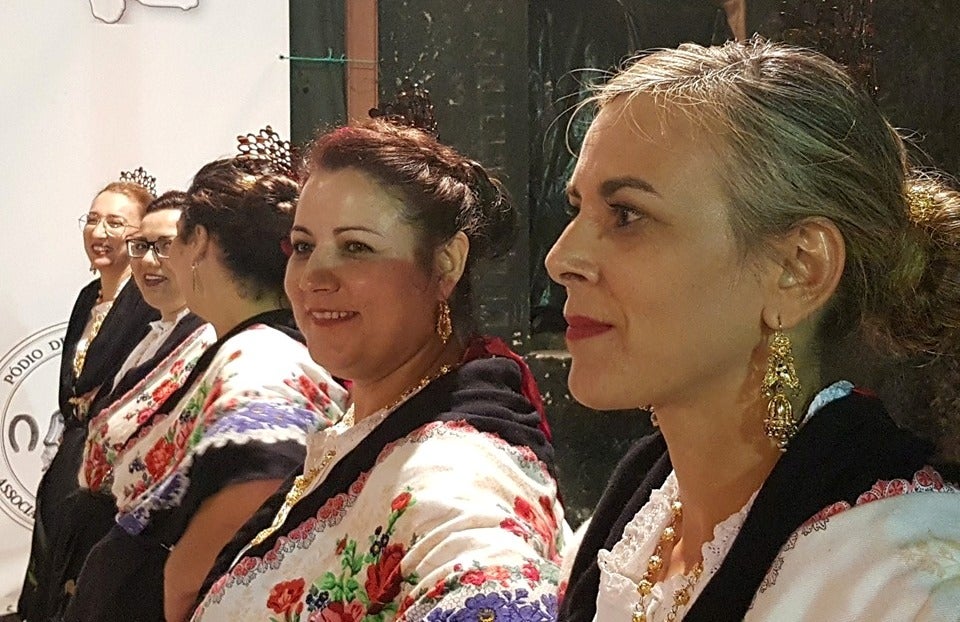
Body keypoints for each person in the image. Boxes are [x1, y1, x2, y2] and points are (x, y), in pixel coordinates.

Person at [547, 37, 960, 621]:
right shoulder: (635, 515)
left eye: (627, 215)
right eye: (577, 208)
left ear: (798, 269)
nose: (561, 259)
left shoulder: (905, 589)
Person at [191, 117, 566, 621]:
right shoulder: (370, 418)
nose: (313, 276)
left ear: (446, 264)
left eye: (356, 247)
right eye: (303, 246)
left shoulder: (454, 472)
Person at [64, 157, 348, 622]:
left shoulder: (261, 359)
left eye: (173, 242)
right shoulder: (246, 346)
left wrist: (181, 587)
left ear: (198, 244)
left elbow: (263, 468)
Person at [33, 191, 218, 620]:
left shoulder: (207, 338)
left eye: (166, 245)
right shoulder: (152, 332)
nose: (150, 260)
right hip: (98, 529)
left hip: (147, 548)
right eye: (142, 246)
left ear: (197, 251)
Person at [18, 168, 160, 621]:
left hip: (115, 463)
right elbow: (73, 390)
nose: (100, 233)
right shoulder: (87, 298)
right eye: (93, 220)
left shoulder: (150, 303)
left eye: (116, 223)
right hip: (72, 451)